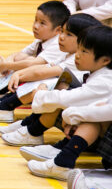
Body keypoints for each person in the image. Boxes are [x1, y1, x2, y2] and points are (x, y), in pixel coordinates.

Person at [0, 13, 98, 147]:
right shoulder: (67, 53)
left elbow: (43, 71)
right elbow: (43, 67)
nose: (61, 37)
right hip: (77, 112)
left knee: (54, 88)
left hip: (91, 125)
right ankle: (28, 123)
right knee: (50, 85)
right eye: (62, 31)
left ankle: (31, 129)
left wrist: (18, 72)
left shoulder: (78, 60)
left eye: (68, 34)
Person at [25, 25, 112, 180]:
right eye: (78, 49)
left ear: (105, 60)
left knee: (90, 119)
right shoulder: (99, 74)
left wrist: (70, 115)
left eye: (84, 51)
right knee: (65, 88)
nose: (77, 55)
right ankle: (62, 149)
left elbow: (79, 101)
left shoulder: (106, 80)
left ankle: (62, 160)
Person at [0, 0, 69, 122]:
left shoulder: (56, 44)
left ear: (58, 30)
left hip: (48, 84)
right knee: (21, 59)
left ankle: (3, 102)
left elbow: (34, 64)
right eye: (35, 20)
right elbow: (19, 54)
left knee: (28, 63)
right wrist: (8, 62)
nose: (35, 26)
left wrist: (8, 65)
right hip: (38, 78)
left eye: (42, 23)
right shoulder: (41, 40)